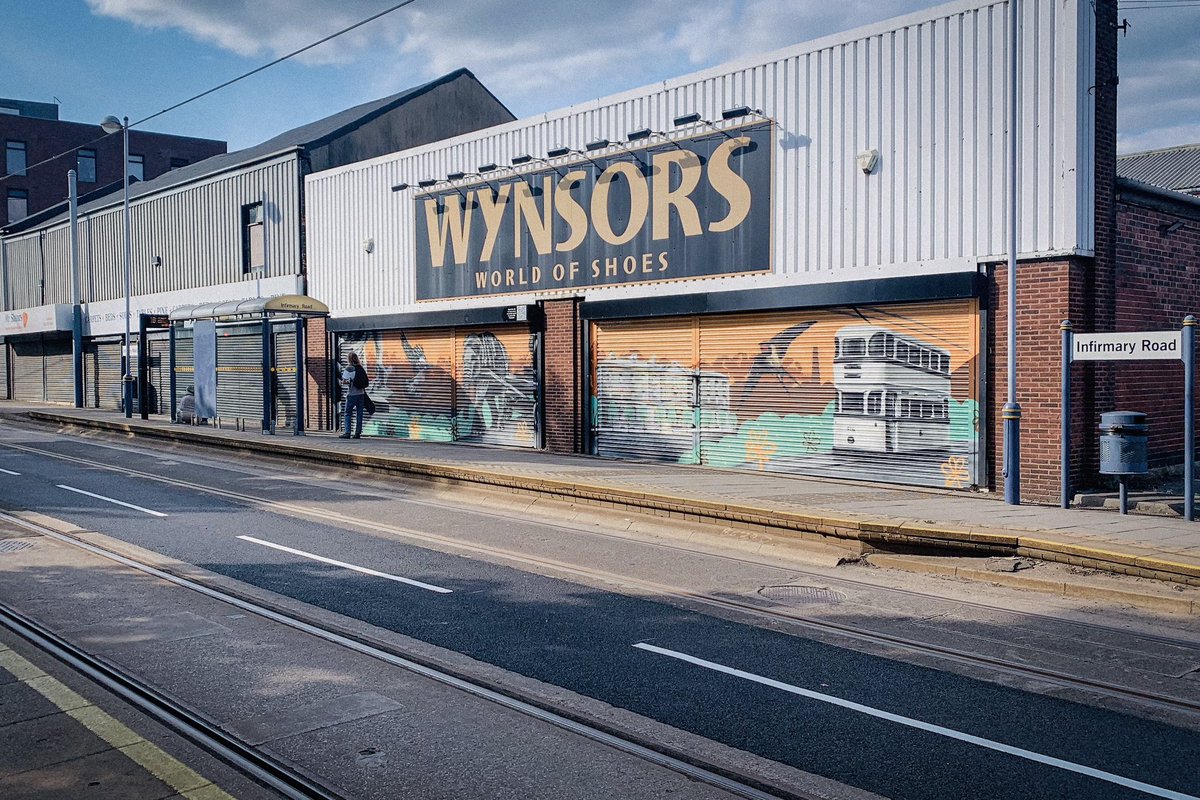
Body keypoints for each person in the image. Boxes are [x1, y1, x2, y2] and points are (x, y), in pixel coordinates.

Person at [340, 352, 368, 439]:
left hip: (352, 394)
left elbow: (344, 381)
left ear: (349, 359)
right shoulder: (360, 368)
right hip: (361, 394)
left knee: (348, 413)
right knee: (359, 414)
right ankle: (357, 433)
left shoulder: (349, 368)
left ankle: (347, 432)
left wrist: (348, 382)